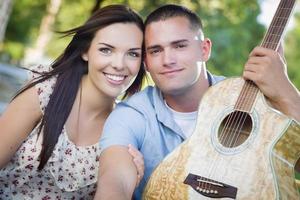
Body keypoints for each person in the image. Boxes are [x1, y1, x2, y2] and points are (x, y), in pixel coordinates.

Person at [94, 4, 300, 200]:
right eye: (156, 50)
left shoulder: (252, 104)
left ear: (204, 49)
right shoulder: (132, 114)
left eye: (180, 46)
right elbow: (114, 180)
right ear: (146, 62)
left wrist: (286, 93)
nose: (168, 60)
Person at [0, 5, 147, 199]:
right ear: (85, 51)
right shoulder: (46, 90)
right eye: (106, 50)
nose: (119, 64)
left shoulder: (126, 127)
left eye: (133, 54)